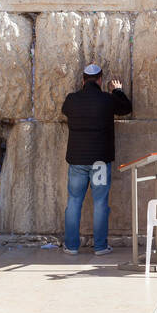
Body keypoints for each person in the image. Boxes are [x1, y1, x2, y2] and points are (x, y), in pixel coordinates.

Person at [60, 64, 131, 256]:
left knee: (74, 201)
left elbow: (65, 110)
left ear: (83, 80)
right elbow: (126, 108)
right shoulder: (107, 100)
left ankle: (71, 246)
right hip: (99, 162)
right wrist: (117, 91)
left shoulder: (72, 99)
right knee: (100, 202)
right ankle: (100, 246)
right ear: (100, 80)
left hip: (77, 161)